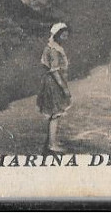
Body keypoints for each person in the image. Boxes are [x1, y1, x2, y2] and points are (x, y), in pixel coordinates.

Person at [38, 23, 72, 154]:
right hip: (54, 84)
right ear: (57, 34)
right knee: (55, 114)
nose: (66, 36)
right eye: (63, 34)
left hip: (53, 82)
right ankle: (52, 145)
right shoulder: (53, 49)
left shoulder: (55, 47)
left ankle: (51, 141)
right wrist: (64, 88)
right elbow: (55, 71)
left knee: (55, 113)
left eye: (66, 34)